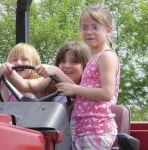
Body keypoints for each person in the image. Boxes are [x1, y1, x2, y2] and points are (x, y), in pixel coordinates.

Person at [51, 4, 120, 150]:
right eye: (84, 27)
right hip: (83, 129)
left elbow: (107, 93)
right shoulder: (93, 59)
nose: (89, 32)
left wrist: (75, 89)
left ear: (108, 30)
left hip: (97, 130)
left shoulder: (106, 57)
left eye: (95, 27)